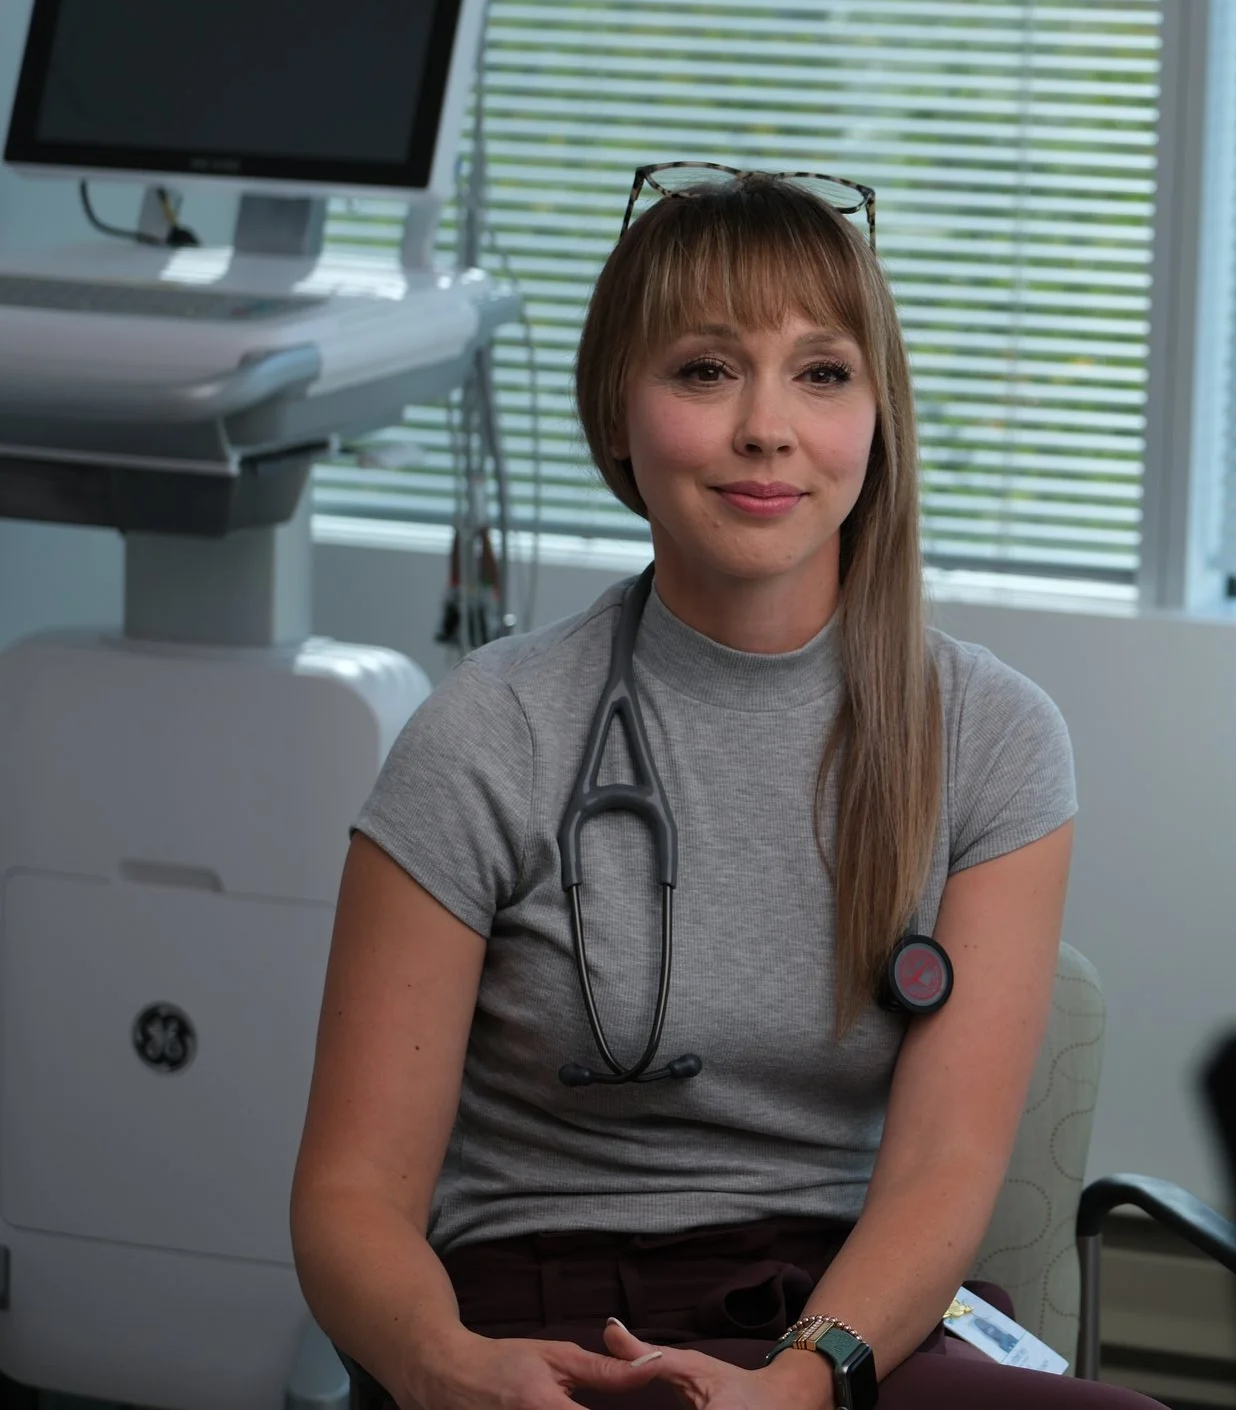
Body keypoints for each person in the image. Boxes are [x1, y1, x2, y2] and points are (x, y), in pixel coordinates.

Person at [291, 168, 1156, 1410]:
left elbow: (941, 1168)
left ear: (878, 414)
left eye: (822, 372)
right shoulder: (489, 732)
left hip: (842, 1322)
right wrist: (447, 1365)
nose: (767, 427)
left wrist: (799, 1382)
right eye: (705, 370)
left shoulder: (990, 737)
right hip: (540, 1326)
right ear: (616, 416)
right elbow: (348, 1198)